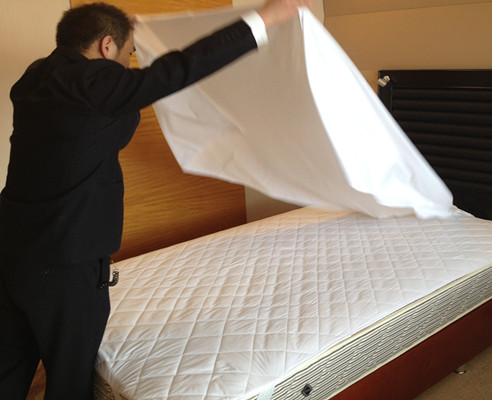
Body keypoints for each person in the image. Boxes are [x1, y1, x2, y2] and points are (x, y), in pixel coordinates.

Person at [0, 0, 311, 398]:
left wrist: (128, 31)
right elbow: (181, 68)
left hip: (13, 251)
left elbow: (103, 118)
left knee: (8, 368)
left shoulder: (36, 78)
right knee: (70, 382)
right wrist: (264, 18)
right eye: (129, 53)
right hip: (63, 263)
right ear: (106, 45)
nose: (129, 64)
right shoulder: (92, 81)